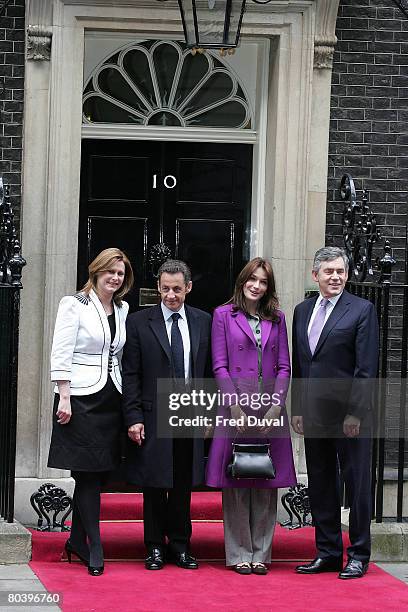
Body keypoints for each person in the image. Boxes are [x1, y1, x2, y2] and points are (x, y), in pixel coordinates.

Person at [291, 246, 379, 579]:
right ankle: (327, 551)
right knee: (321, 483)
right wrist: (297, 408)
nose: (335, 277)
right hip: (314, 415)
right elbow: (301, 363)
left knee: (355, 485)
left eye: (340, 271)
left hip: (350, 416)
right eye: (328, 271)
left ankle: (358, 554)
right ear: (315, 274)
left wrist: (355, 413)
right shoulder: (302, 310)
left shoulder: (362, 309)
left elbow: (366, 368)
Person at [206, 257, 296, 575]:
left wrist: (275, 406)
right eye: (252, 279)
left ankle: (261, 553)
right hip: (236, 408)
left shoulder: (278, 318)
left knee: (265, 480)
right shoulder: (223, 315)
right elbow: (219, 364)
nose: (256, 286)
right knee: (237, 479)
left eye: (263, 281)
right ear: (242, 281)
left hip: (270, 409)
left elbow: (285, 366)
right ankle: (239, 553)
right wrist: (234, 407)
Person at [48, 248, 134, 576]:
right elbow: (61, 351)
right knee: (86, 473)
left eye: (121, 274)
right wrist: (64, 397)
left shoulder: (123, 309)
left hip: (112, 397)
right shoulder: (75, 303)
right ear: (96, 271)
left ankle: (75, 540)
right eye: (110, 272)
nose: (115, 278)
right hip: (81, 398)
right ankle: (94, 545)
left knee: (98, 474)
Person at [121, 259, 211, 571]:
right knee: (155, 483)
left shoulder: (203, 321)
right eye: (165, 288)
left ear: (188, 288)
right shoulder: (138, 321)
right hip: (153, 412)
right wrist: (133, 416)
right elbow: (130, 373)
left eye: (177, 289)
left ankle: (181, 545)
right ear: (158, 288)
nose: (171, 295)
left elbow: (209, 372)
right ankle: (155, 546)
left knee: (184, 483)